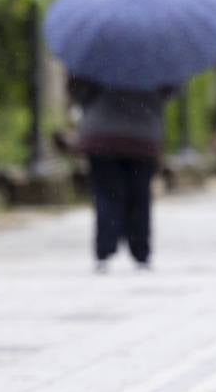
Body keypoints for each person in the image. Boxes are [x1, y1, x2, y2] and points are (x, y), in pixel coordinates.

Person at [68, 78, 171, 271]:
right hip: (142, 135)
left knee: (106, 194)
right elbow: (168, 91)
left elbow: (77, 91)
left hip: (102, 136)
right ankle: (140, 251)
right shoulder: (152, 61)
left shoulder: (95, 58)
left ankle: (104, 249)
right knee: (140, 196)